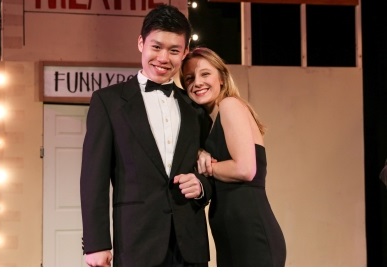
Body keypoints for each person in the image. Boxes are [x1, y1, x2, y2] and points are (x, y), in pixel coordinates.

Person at [80, 4, 212, 267]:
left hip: (190, 245)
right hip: (136, 243)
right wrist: (96, 243)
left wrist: (201, 188)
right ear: (141, 43)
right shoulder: (108, 102)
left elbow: (211, 171)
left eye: (174, 50)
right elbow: (93, 177)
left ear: (185, 52)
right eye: (156, 47)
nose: (163, 58)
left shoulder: (196, 108)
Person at [180, 47, 286, 267]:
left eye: (205, 74)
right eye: (189, 78)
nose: (197, 82)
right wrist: (201, 153)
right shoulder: (209, 123)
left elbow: (245, 169)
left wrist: (207, 167)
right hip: (231, 234)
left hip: (250, 233)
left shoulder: (230, 105)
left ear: (221, 77)